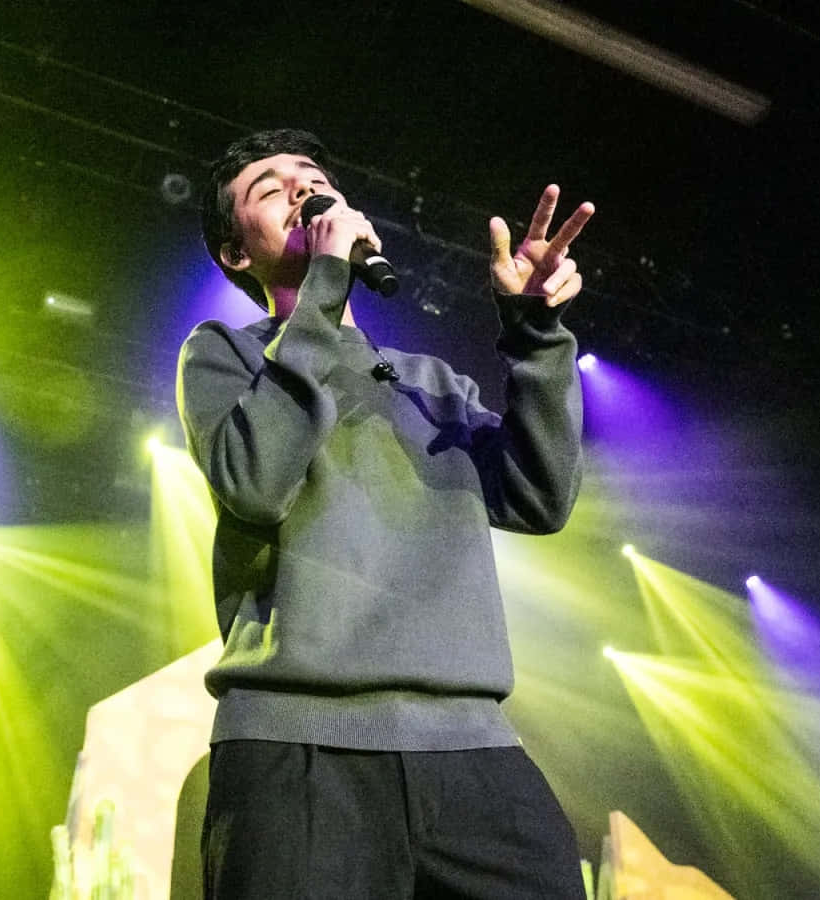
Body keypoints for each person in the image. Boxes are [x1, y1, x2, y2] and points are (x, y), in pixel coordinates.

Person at [178, 128, 592, 899]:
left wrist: (537, 333)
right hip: (296, 747)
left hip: (473, 750)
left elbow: (539, 499)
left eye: (313, 177)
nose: (302, 189)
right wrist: (324, 287)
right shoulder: (224, 354)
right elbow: (255, 483)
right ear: (236, 253)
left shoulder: (430, 381)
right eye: (270, 188)